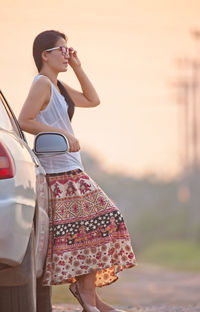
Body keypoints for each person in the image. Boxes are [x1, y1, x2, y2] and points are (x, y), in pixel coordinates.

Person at [18, 30, 136, 312]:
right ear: (45, 55)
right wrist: (60, 133)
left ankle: (89, 297)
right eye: (62, 50)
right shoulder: (42, 84)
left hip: (71, 169)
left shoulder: (58, 86)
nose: (67, 54)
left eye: (69, 49)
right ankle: (88, 297)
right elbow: (25, 120)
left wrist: (79, 67)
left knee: (91, 230)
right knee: (103, 220)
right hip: (59, 173)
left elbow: (92, 100)